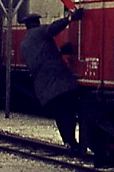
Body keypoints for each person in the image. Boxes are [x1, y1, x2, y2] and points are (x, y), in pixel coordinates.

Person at [21, 8, 84, 154]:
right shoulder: (39, 32)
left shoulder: (24, 44)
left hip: (43, 86)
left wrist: (60, 52)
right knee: (68, 110)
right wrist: (70, 18)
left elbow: (40, 57)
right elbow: (53, 28)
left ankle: (68, 142)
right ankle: (73, 144)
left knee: (60, 114)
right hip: (59, 82)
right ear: (36, 23)